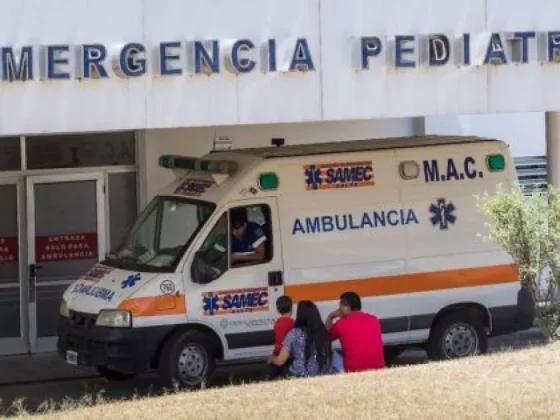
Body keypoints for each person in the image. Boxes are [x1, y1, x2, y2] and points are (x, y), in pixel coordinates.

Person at [268, 300, 333, 378]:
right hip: (322, 373)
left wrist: (271, 358)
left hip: (300, 374)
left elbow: (280, 361)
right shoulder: (323, 332)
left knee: (278, 370)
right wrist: (330, 317)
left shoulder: (295, 333)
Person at [325, 291, 385, 373]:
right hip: (379, 369)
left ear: (346, 307)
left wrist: (330, 317)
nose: (339, 309)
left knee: (332, 355)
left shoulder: (341, 324)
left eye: (340, 306)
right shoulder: (374, 319)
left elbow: (325, 338)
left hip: (354, 371)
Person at [266, 295, 295, 379]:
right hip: (288, 353)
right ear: (291, 308)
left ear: (278, 310)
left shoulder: (277, 322)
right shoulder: (293, 323)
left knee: (274, 369)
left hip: (277, 351)